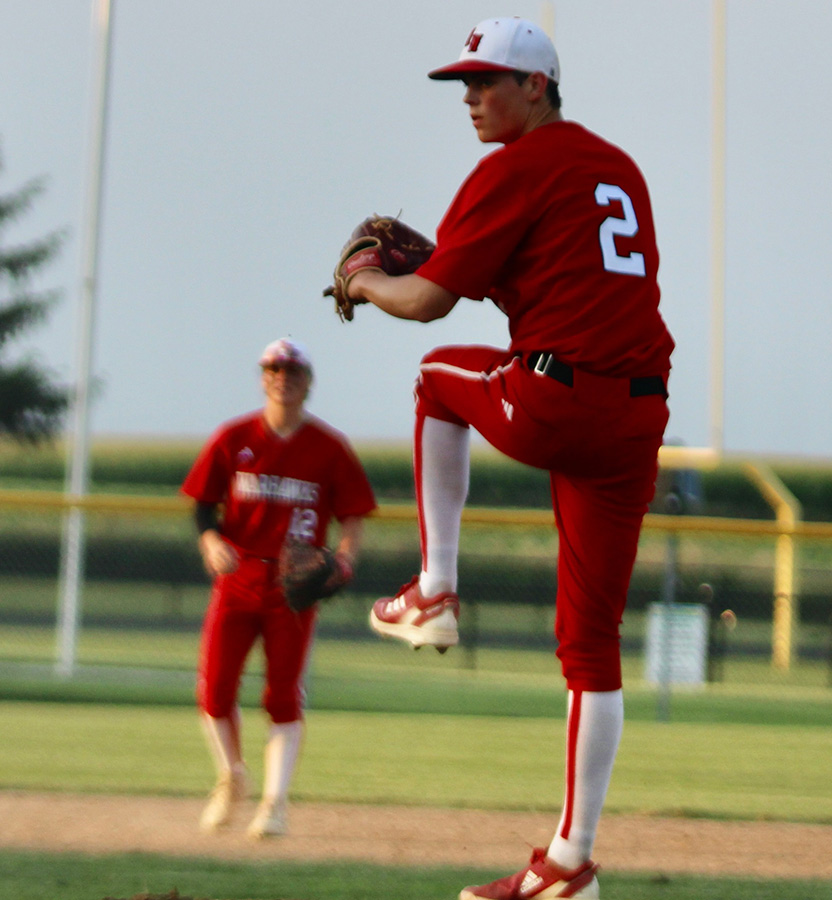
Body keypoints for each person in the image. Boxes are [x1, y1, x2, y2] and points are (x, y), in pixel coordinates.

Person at [347, 17, 674, 900]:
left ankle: (436, 587)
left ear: (538, 85)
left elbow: (425, 304)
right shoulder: (618, 168)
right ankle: (570, 863)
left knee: (430, 378)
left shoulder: (515, 166)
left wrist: (367, 283)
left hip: (558, 399)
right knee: (591, 646)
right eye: (465, 82)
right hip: (636, 416)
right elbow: (570, 282)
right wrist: (468, 267)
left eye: (487, 80)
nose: (470, 97)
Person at [181, 337, 376, 839]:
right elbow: (203, 503)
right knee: (214, 691)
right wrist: (209, 542)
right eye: (273, 368)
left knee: (283, 694)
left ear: (308, 381)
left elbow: (353, 515)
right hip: (238, 576)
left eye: (292, 370)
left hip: (293, 587)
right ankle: (232, 778)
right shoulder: (234, 436)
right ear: (262, 376)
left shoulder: (329, 447)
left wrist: (347, 559)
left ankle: (276, 802)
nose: (282, 377)